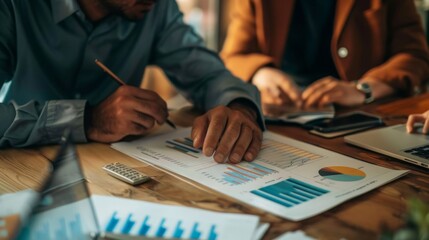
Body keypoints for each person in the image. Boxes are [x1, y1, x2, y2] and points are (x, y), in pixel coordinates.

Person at [0, 0, 265, 164]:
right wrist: (89, 120)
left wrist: (240, 108)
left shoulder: (155, 9)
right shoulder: (13, 6)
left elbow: (209, 74)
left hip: (117, 174)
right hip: (21, 172)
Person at [221, 0, 429, 113]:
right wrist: (261, 73)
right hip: (281, 114)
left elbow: (415, 56)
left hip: (362, 114)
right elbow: (233, 56)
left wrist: (363, 89)